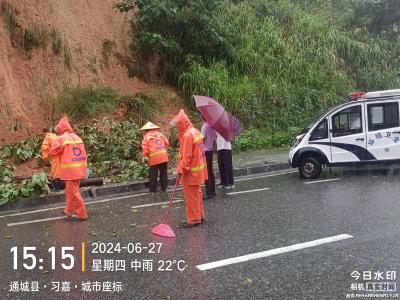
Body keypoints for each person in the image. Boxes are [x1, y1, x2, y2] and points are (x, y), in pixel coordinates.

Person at [171, 109, 208, 227]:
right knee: (197, 194)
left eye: (178, 124)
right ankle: (200, 215)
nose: (177, 127)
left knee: (191, 197)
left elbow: (186, 156)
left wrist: (180, 170)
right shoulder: (195, 131)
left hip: (191, 172)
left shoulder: (187, 136)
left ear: (183, 123)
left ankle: (193, 219)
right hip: (199, 170)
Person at [49, 116, 88, 221]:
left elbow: (52, 152)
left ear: (60, 129)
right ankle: (69, 210)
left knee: (74, 193)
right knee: (71, 191)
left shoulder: (61, 138)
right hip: (79, 169)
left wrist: (53, 141)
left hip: (70, 171)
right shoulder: (77, 137)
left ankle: (82, 214)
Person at [140, 122, 169, 193]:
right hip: (163, 157)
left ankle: (153, 190)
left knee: (153, 175)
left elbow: (145, 148)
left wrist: (144, 156)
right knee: (163, 173)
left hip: (154, 159)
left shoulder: (146, 136)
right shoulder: (160, 134)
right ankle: (164, 189)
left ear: (146, 130)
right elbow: (167, 143)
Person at [201, 118, 217, 199]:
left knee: (206, 172)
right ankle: (213, 191)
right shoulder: (213, 126)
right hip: (210, 151)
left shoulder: (205, 126)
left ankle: (208, 192)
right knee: (210, 171)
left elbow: (202, 139)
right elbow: (214, 141)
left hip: (205, 151)